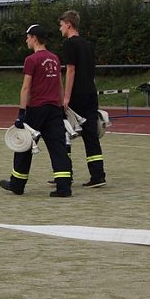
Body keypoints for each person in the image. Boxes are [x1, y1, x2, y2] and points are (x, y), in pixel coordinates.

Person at [0, 24, 72, 197]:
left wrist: (21, 112)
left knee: (23, 145)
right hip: (54, 109)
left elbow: (26, 88)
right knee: (58, 147)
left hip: (36, 109)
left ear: (34, 38)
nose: (26, 40)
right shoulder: (55, 58)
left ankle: (17, 184)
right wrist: (61, 107)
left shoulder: (31, 60)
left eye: (27, 37)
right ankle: (64, 187)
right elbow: (59, 85)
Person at [59, 10, 106, 188]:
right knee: (90, 135)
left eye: (61, 24)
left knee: (64, 132)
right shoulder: (88, 44)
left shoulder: (69, 44)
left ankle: (64, 174)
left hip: (76, 95)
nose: (60, 28)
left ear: (68, 24)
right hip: (90, 93)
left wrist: (66, 97)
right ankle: (98, 175)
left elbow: (70, 70)